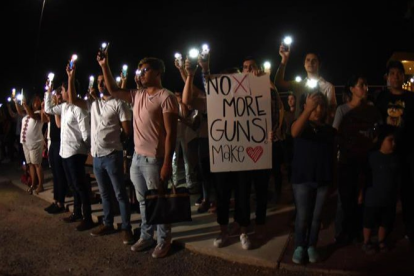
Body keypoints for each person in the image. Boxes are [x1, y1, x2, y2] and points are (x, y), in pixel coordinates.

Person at [98, 47, 178, 259]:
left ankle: (163, 240)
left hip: (154, 160)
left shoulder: (166, 97)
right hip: (137, 159)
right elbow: (114, 90)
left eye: (145, 70)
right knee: (143, 202)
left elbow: (171, 134)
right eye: (139, 70)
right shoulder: (137, 95)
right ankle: (146, 235)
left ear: (158, 72)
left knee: (158, 201)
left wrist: (167, 163)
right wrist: (104, 65)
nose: (141, 74)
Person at [67, 71, 134, 245]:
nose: (101, 84)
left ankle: (127, 228)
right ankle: (108, 223)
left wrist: (115, 143)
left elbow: (127, 130)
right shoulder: (94, 104)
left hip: (112, 156)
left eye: (104, 81)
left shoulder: (119, 104)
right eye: (99, 82)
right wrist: (71, 77)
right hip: (96, 157)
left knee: (120, 193)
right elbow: (73, 100)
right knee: (104, 193)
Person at [333, 75, 382, 244]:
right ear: (352, 89)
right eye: (361, 85)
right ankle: (342, 233)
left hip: (366, 160)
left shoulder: (372, 110)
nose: (365, 88)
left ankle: (359, 231)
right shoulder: (343, 110)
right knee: (345, 199)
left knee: (364, 197)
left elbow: (378, 132)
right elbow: (335, 134)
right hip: (347, 161)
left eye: (366, 85)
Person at [44, 70, 93, 232]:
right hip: (65, 151)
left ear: (70, 90)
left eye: (63, 90)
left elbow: (86, 132)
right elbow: (49, 109)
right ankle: (77, 213)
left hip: (75, 152)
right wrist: (48, 91)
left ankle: (87, 217)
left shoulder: (79, 108)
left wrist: (86, 149)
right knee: (73, 184)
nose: (61, 93)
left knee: (80, 185)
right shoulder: (64, 107)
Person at [290, 92, 336, 264]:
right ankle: (299, 246)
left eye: (320, 106)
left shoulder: (328, 130)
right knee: (303, 216)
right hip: (302, 178)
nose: (317, 110)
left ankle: (311, 246)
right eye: (313, 105)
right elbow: (294, 132)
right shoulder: (301, 125)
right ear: (305, 106)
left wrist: (333, 179)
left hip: (323, 179)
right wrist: (307, 111)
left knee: (317, 217)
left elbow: (332, 156)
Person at [375, 60, 414, 243]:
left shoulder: (411, 98)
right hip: (385, 152)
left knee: (408, 191)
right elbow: (376, 123)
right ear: (387, 77)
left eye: (399, 73)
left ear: (403, 76)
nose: (396, 76)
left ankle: (410, 228)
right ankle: (384, 229)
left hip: (407, 151)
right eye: (392, 73)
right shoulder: (381, 98)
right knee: (386, 191)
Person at [362, 124, 399, 254]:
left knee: (386, 220)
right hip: (373, 197)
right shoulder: (372, 157)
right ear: (381, 141)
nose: (393, 144)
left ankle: (381, 240)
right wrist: (361, 194)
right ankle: (366, 241)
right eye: (390, 140)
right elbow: (365, 177)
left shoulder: (395, 158)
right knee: (369, 221)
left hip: (389, 197)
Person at [274, 45, 336, 122]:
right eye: (308, 60)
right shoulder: (299, 85)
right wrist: (284, 59)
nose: (311, 62)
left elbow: (331, 112)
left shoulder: (328, 86)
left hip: (319, 129)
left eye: (314, 60)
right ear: (304, 64)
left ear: (319, 64)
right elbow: (278, 83)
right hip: (299, 129)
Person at [43, 85, 69, 214]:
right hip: (53, 142)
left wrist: (56, 108)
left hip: (60, 142)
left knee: (60, 173)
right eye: (56, 93)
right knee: (55, 173)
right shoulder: (56, 108)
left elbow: (59, 125)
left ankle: (60, 202)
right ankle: (55, 200)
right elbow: (47, 116)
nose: (57, 95)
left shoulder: (63, 108)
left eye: (60, 93)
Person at [15, 95, 45, 194]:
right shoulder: (27, 112)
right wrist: (16, 102)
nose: (37, 102)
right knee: (30, 164)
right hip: (25, 143)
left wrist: (25, 105)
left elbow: (32, 116)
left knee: (37, 164)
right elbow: (20, 112)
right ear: (32, 103)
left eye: (39, 101)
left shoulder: (40, 113)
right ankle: (33, 183)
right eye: (35, 100)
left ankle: (41, 185)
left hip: (35, 143)